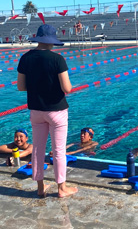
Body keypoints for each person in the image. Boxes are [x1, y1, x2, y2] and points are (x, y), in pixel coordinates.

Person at [17, 24, 78, 198]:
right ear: (51, 41)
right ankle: (61, 189)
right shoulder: (57, 59)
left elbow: (21, 87)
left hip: (36, 111)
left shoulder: (25, 58)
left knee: (37, 149)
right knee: (58, 150)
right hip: (57, 111)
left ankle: (40, 188)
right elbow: (67, 88)